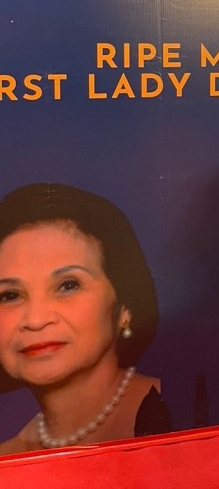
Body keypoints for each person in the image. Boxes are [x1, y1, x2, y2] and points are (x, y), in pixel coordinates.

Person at [0, 183, 169, 455]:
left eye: (68, 285)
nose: (35, 319)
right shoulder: (9, 459)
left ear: (124, 306)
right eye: (10, 295)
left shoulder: (180, 417)